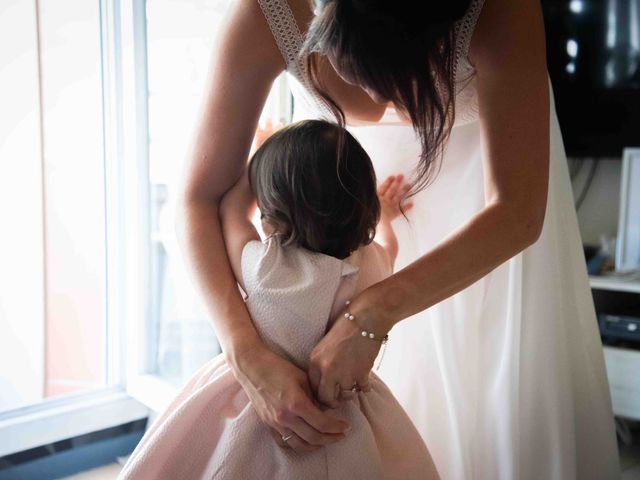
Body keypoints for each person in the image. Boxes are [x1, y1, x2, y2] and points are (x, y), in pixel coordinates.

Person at [177, 0, 620, 478]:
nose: (380, 99)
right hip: (339, 228)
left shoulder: (501, 10)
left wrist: (369, 313)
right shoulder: (268, 12)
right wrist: (247, 354)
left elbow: (516, 211)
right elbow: (198, 200)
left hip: (489, 240)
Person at [119, 120, 438, 479]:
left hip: (255, 405)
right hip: (348, 416)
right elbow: (388, 245)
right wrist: (386, 217)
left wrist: (257, 154)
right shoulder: (373, 265)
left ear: (271, 218)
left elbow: (232, 212)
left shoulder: (265, 266)